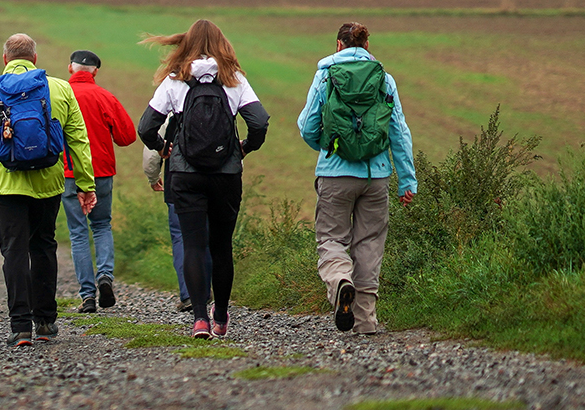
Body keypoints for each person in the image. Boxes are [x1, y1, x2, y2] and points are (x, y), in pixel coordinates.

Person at [135, 19, 269, 340]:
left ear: (185, 45)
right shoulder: (234, 80)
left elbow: (145, 128)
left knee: (193, 244)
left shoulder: (174, 81)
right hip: (226, 175)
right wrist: (246, 148)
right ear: (223, 45)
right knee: (222, 246)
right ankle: (220, 315)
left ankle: (199, 320)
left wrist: (164, 147)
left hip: (185, 174)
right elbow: (260, 122)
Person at [0, 34, 96, 347]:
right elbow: (78, 139)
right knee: (44, 246)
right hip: (47, 182)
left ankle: (20, 326)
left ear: (5, 59)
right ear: (35, 59)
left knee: (14, 250)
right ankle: (46, 322)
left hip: (5, 185)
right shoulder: (60, 88)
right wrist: (85, 184)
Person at [296, 22, 416, 335]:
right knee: (370, 245)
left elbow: (307, 125)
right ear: (365, 46)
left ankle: (340, 283)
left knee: (332, 239)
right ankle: (365, 321)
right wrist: (407, 181)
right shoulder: (383, 78)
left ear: (338, 45)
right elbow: (399, 132)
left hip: (335, 174)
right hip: (376, 177)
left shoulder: (326, 75)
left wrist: (327, 148)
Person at [60, 50, 136, 313]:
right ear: (95, 71)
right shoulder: (105, 96)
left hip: (69, 173)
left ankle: (87, 295)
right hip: (101, 172)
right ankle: (106, 276)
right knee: (102, 225)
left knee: (78, 233)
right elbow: (127, 137)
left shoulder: (59, 95)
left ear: (70, 68)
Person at [142, 138, 203, 314]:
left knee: (181, 236)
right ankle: (208, 290)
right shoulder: (221, 109)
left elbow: (151, 149)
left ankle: (189, 294)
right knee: (209, 233)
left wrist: (153, 177)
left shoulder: (169, 110)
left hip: (177, 180)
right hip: (216, 179)